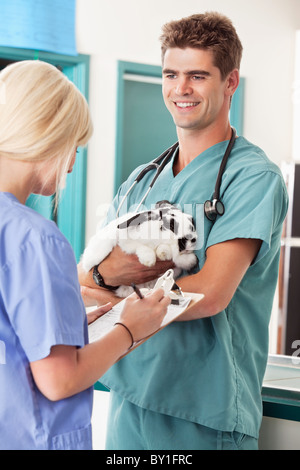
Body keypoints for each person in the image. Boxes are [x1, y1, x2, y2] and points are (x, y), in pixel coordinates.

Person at [79, 12, 288, 450]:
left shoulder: (252, 178)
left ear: (230, 82)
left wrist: (116, 294)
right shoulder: (142, 180)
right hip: (129, 404)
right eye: (171, 74)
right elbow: (86, 280)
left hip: (205, 415)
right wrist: (107, 284)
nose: (181, 89)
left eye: (198, 75)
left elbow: (211, 294)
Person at [0, 60, 171, 450]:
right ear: (47, 133)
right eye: (74, 147)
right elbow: (58, 381)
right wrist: (130, 329)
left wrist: (69, 321)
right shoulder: (35, 237)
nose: (73, 164)